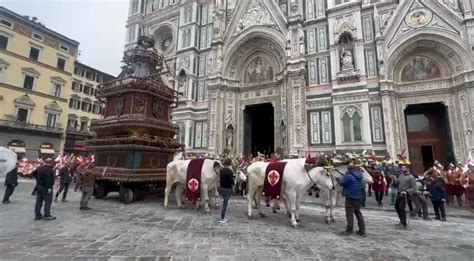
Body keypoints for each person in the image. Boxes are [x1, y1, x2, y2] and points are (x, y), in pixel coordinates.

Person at [337, 163, 366, 237]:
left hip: (350, 197)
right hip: (358, 197)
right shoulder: (360, 175)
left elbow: (342, 183)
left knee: (349, 214)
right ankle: (362, 230)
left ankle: (349, 230)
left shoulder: (349, 176)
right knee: (358, 213)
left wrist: (338, 178)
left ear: (349, 169)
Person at [393, 165, 417, 230]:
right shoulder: (401, 175)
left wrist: (406, 191)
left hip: (405, 195)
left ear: (408, 168)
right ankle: (401, 221)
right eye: (402, 168)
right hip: (398, 193)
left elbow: (414, 188)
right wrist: (393, 179)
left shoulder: (411, 177)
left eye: (404, 168)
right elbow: (396, 184)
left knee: (401, 208)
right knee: (396, 207)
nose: (402, 169)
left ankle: (404, 224)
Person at [219, 158, 234, 223]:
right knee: (225, 204)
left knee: (224, 203)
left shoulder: (221, 170)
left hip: (222, 187)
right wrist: (233, 188)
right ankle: (222, 217)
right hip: (227, 189)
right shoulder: (230, 171)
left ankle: (222, 216)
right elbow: (232, 181)